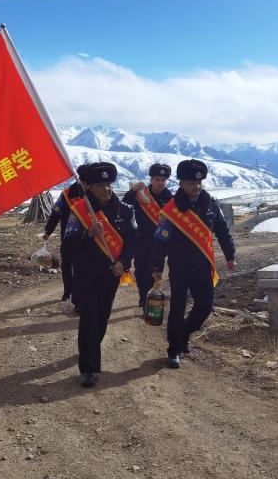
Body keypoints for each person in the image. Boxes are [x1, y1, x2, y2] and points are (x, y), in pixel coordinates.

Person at [151, 159, 236, 369]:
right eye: (190, 182)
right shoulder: (172, 210)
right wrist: (157, 267)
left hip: (203, 265)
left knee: (204, 307)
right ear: (181, 183)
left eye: (199, 182)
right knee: (177, 308)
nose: (196, 186)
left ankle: (183, 334)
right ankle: (173, 349)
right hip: (179, 266)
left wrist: (230, 255)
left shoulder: (211, 204)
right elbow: (160, 240)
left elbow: (223, 231)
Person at [64, 162, 137, 387]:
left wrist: (123, 263)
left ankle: (88, 350)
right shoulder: (79, 211)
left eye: (108, 184)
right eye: (99, 185)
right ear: (91, 188)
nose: (105, 189)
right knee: (88, 319)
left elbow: (134, 242)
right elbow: (67, 244)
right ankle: (89, 368)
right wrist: (88, 233)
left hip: (110, 275)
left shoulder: (125, 210)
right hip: (85, 274)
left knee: (102, 318)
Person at [122, 163, 173, 309]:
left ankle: (145, 299)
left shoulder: (170, 198)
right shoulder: (141, 194)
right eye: (157, 179)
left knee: (152, 270)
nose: (160, 183)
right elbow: (124, 205)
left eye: (163, 180)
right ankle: (142, 295)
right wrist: (132, 191)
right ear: (151, 179)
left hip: (159, 242)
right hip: (140, 239)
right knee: (140, 270)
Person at [43, 164, 89, 303]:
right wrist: (48, 231)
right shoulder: (66, 194)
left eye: (89, 182)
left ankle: (81, 295)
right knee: (67, 266)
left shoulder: (94, 193)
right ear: (78, 179)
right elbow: (55, 214)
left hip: (88, 238)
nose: (87, 185)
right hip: (68, 238)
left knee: (83, 267)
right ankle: (67, 292)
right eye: (85, 181)